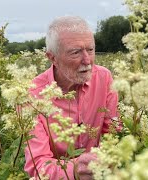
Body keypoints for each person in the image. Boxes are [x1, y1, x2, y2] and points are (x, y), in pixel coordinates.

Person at [24, 15, 120, 180]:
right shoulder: (31, 96)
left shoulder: (104, 78)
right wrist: (75, 170)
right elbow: (38, 165)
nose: (87, 60)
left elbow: (112, 132)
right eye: (75, 52)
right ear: (52, 57)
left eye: (90, 49)